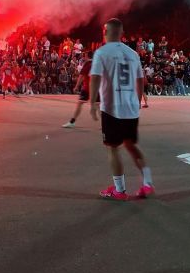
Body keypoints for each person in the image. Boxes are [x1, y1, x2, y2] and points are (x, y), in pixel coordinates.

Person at [89, 18, 154, 201]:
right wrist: (137, 100)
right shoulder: (133, 53)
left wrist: (92, 102)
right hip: (131, 107)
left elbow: (95, 78)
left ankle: (119, 190)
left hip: (111, 107)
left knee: (113, 148)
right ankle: (147, 183)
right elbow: (140, 79)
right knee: (131, 145)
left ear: (106, 31)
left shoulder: (102, 52)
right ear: (122, 33)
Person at [62, 51, 94, 128]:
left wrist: (76, 86)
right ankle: (108, 123)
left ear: (87, 56)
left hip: (87, 88)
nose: (83, 57)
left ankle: (72, 122)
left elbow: (81, 76)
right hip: (96, 88)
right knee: (98, 105)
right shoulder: (96, 64)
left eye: (84, 56)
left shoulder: (87, 64)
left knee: (80, 103)